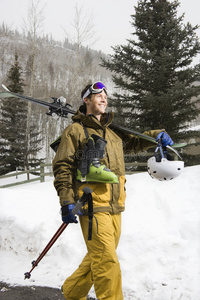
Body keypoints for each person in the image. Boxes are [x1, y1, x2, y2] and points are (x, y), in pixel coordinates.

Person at [53, 81, 173, 300]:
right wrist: (66, 200)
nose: (104, 98)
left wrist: (157, 135)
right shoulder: (76, 130)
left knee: (99, 256)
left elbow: (136, 142)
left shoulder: (114, 134)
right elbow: (62, 167)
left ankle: (71, 291)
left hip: (116, 204)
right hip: (91, 204)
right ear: (86, 100)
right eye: (97, 94)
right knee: (107, 261)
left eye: (106, 96)